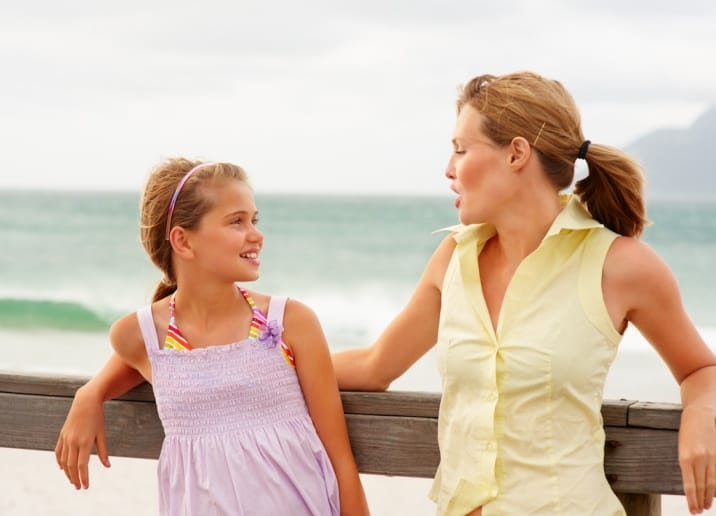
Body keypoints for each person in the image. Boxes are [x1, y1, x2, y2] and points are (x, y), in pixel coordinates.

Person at [57, 72, 716, 514]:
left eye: (461, 149)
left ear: (516, 154)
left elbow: (699, 368)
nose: (449, 168)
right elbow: (373, 366)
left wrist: (700, 415)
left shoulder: (622, 266)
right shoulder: (452, 258)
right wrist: (102, 386)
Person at [55, 158, 369, 516]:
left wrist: (92, 391)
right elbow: (150, 362)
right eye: (237, 221)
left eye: (254, 219)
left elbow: (340, 461)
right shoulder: (140, 336)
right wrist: (91, 394)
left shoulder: (290, 322)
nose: (256, 233)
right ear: (183, 242)